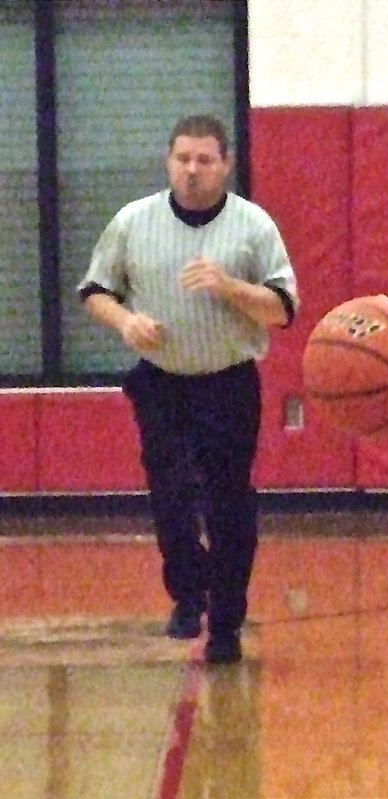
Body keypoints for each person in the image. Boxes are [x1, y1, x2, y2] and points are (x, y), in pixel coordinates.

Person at [79, 114, 298, 665]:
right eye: (183, 159)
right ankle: (187, 592)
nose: (193, 170)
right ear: (168, 161)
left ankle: (225, 622)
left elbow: (282, 310)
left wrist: (228, 287)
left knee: (228, 506)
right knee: (171, 500)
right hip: (161, 384)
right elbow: (95, 290)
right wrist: (125, 322)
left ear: (225, 163)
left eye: (205, 160)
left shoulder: (253, 226)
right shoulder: (133, 221)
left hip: (228, 383)